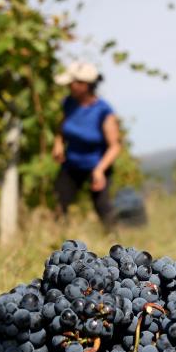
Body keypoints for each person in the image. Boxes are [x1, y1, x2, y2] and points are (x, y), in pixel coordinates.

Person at [52, 61, 121, 227]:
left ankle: (114, 244)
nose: (69, 86)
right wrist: (58, 143)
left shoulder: (103, 111)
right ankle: (58, 241)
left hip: (97, 165)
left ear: (84, 85)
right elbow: (62, 129)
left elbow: (115, 146)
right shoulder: (68, 104)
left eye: (72, 83)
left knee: (103, 207)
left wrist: (99, 170)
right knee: (60, 203)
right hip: (72, 164)